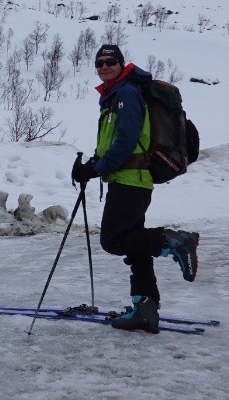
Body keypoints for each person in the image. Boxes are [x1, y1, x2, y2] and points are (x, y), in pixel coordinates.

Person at [70, 43, 200, 333]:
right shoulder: (116, 95)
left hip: (130, 179)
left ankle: (173, 241)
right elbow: (110, 144)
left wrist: (96, 169)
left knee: (114, 240)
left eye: (110, 62)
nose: (104, 67)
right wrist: (90, 166)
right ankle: (145, 308)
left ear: (120, 63)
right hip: (127, 179)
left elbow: (126, 141)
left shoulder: (127, 93)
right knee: (134, 243)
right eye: (100, 63)